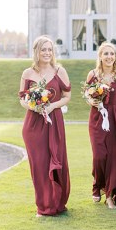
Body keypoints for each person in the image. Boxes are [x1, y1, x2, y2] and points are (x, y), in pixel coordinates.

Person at [19, 35, 71, 217]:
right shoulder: (27, 74)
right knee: (39, 165)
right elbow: (22, 100)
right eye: (43, 49)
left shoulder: (59, 71)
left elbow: (67, 96)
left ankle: (57, 202)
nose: (47, 53)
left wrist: (52, 106)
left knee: (57, 159)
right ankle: (43, 206)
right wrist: (33, 106)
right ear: (36, 52)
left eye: (50, 49)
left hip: (54, 122)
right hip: (33, 125)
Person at [86, 42, 116, 209]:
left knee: (115, 158)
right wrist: (93, 100)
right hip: (97, 118)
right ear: (100, 56)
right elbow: (88, 97)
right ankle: (97, 184)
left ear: (115, 56)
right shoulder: (93, 75)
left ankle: (111, 195)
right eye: (105, 54)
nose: (109, 57)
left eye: (111, 53)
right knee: (99, 155)